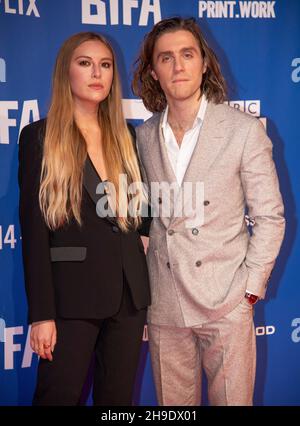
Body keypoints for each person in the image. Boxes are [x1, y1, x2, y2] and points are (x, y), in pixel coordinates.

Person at [132, 17, 285, 406]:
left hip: (226, 300)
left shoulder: (243, 130)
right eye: (166, 58)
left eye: (187, 54)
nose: (177, 65)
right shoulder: (143, 135)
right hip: (165, 303)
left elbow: (269, 216)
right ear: (153, 70)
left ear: (204, 63)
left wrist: (249, 290)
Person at [18, 31, 151, 406]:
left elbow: (145, 207)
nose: (97, 73)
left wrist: (143, 229)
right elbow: (34, 231)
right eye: (85, 63)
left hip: (129, 296)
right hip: (69, 300)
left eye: (105, 65)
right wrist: (41, 315)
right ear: (67, 72)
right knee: (56, 397)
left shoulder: (127, 135)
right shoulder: (39, 137)